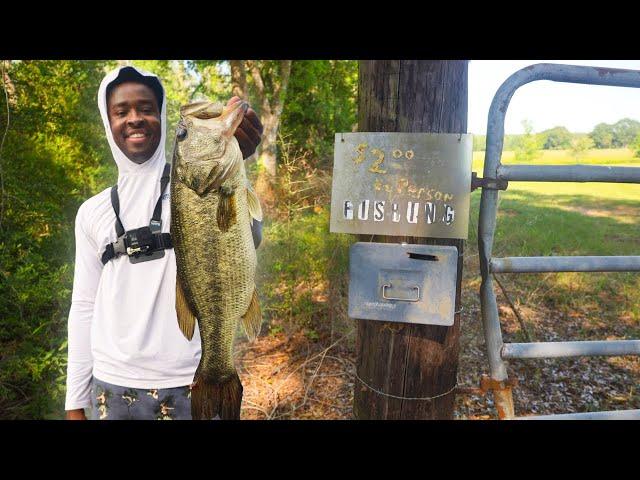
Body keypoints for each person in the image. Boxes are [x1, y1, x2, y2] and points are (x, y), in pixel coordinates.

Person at [64, 65, 263, 420]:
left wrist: (240, 154)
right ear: (107, 122)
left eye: (146, 108)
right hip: (111, 383)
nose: (134, 118)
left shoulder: (187, 188)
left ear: (161, 115)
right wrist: (74, 403)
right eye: (121, 111)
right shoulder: (91, 211)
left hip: (191, 381)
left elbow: (250, 238)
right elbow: (83, 306)